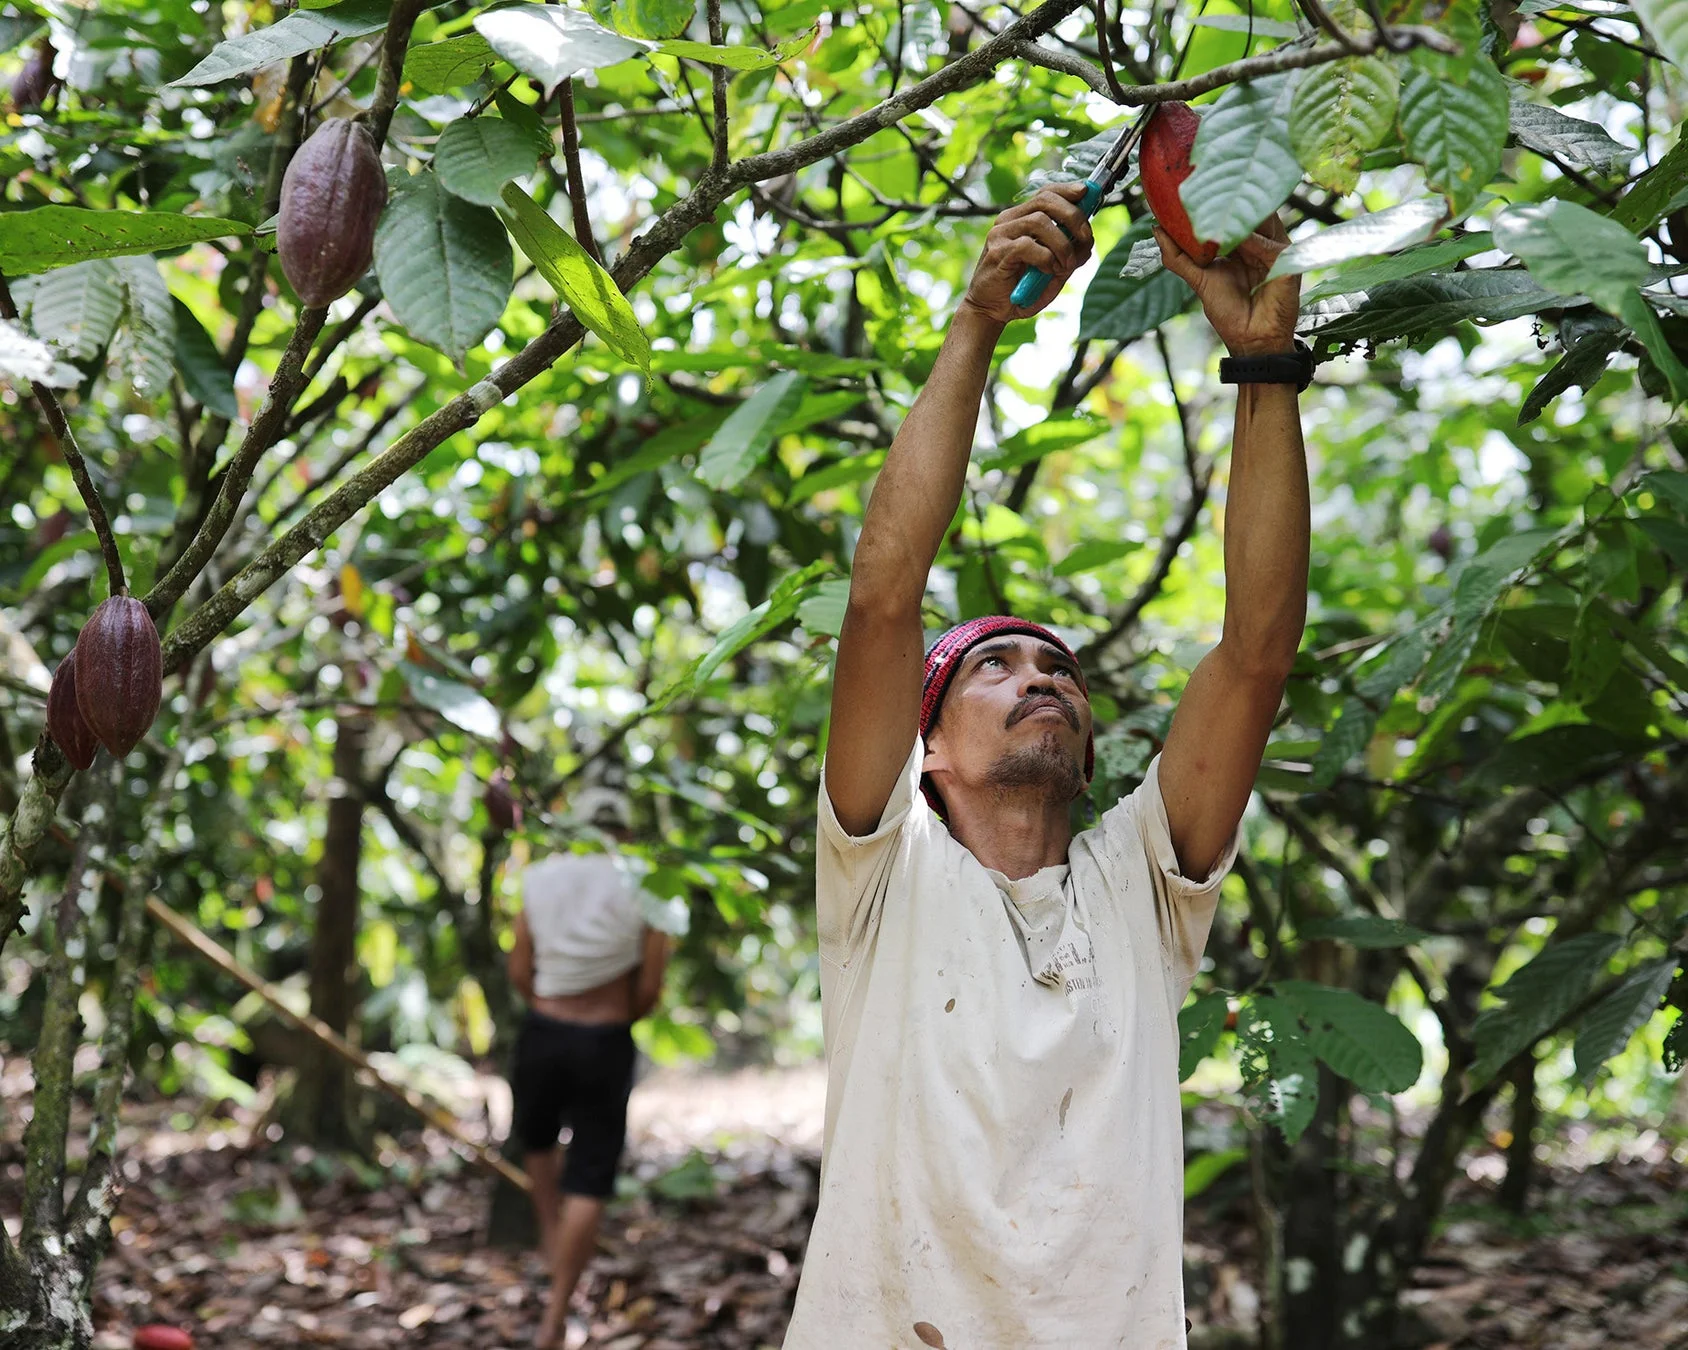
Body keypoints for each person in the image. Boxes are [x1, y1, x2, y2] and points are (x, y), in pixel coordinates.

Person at [783, 182, 1309, 1349]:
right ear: (926, 755)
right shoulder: (881, 876)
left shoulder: (1137, 885)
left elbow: (1257, 656)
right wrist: (977, 322)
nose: (1040, 680)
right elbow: (881, 597)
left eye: (1059, 671)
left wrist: (1264, 366)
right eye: (991, 667)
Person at [505, 786, 670, 1350]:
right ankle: (557, 1314)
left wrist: (551, 1001)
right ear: (626, 829)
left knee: (537, 1141)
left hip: (542, 1032)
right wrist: (617, 1010)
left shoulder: (540, 877)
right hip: (605, 1037)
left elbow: (520, 968)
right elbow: (649, 988)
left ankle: (552, 1241)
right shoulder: (650, 883)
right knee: (591, 1175)